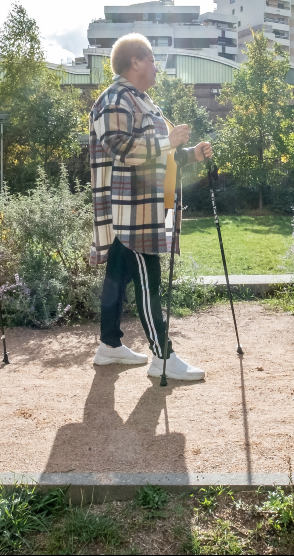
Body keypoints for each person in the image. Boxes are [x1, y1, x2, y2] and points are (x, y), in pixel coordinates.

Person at [89, 33, 213, 381]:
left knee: (117, 276)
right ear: (136, 63)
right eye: (153, 60)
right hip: (131, 209)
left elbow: (159, 156)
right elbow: (120, 148)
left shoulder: (140, 99)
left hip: (142, 204)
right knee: (149, 278)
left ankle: (109, 346)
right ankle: (162, 356)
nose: (157, 67)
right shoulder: (115, 98)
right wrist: (168, 140)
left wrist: (189, 154)